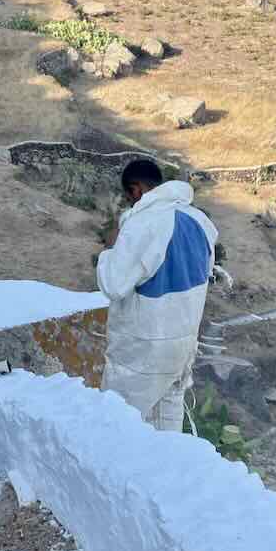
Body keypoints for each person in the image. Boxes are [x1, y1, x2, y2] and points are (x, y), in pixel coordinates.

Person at [95, 160, 218, 431]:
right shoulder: (199, 220)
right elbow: (206, 272)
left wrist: (110, 250)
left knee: (119, 424)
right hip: (184, 343)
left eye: (129, 197)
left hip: (146, 347)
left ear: (136, 190)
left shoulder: (145, 223)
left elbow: (114, 284)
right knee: (167, 423)